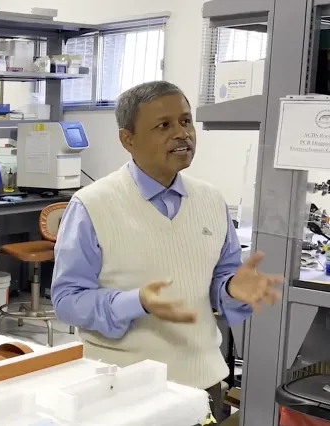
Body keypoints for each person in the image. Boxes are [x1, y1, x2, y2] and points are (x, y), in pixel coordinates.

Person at [51, 80, 283, 421]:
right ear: (127, 140)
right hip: (120, 386)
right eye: (164, 125)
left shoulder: (211, 200)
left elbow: (220, 281)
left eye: (186, 121)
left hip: (200, 383)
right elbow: (67, 300)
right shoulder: (92, 205)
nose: (182, 134)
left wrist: (232, 288)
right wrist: (137, 302)